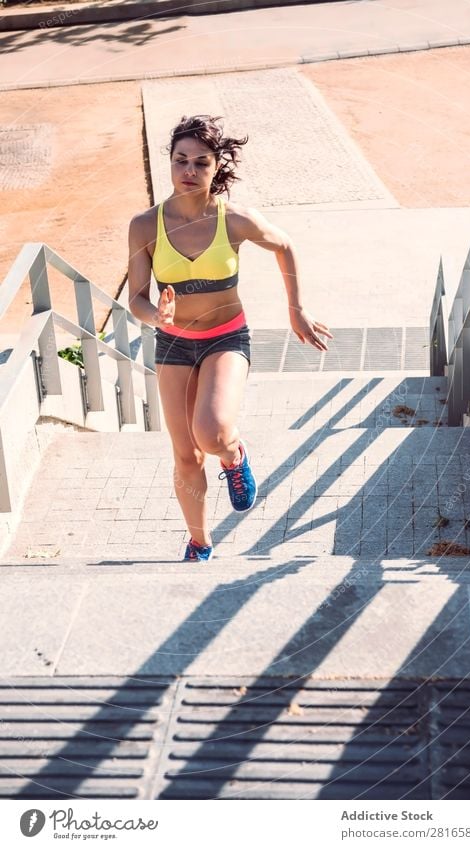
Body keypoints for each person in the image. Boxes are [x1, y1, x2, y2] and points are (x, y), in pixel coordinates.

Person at [128, 114, 333, 562]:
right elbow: (136, 300)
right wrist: (157, 318)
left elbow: (284, 246)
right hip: (174, 345)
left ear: (215, 167)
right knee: (185, 455)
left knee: (212, 434)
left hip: (226, 338)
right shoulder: (145, 225)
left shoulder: (234, 219)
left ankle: (234, 455)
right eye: (181, 160)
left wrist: (296, 309)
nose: (189, 171)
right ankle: (199, 542)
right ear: (169, 162)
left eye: (201, 163)